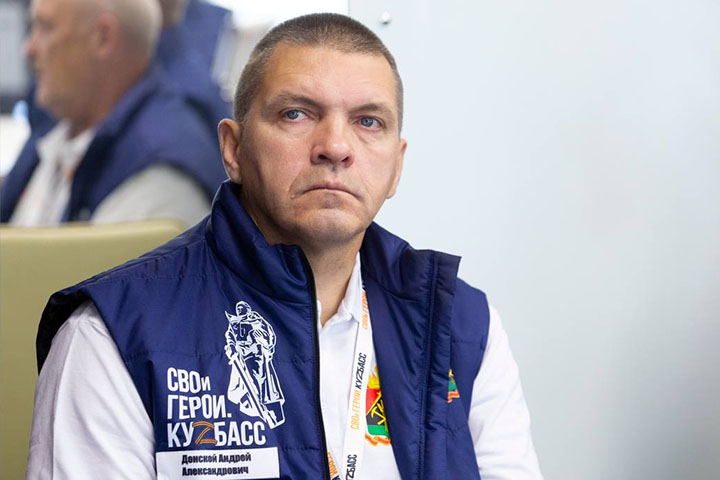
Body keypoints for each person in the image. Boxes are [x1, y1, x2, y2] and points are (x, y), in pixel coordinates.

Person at [28, 13, 543, 479]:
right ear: (233, 149)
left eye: (368, 121)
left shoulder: (463, 327)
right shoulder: (110, 336)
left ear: (397, 166)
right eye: (297, 114)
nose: (335, 147)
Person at [1, 0, 227, 227]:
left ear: (103, 37)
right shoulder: (61, 119)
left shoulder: (161, 177)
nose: (28, 49)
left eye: (45, 27)